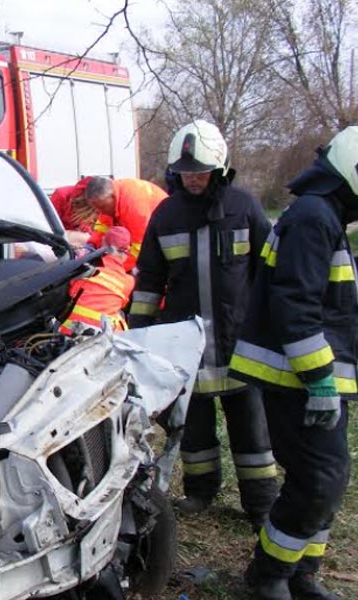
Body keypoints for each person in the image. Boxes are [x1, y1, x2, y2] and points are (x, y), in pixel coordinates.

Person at [230, 126, 358, 600]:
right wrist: (321, 380)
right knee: (317, 478)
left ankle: (302, 572)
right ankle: (268, 574)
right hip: (297, 380)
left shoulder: (324, 215)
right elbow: (296, 305)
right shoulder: (312, 217)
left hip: (312, 379)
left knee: (331, 476)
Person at [130, 120, 278, 528]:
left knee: (251, 431)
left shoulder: (245, 208)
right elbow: (148, 280)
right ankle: (200, 492)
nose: (193, 179)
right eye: (186, 172)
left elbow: (270, 270)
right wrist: (139, 336)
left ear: (220, 168)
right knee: (193, 428)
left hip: (240, 343)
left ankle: (261, 503)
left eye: (201, 171)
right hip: (186, 344)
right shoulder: (166, 214)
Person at [59, 226, 134, 335]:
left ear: (103, 244)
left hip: (69, 331)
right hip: (101, 338)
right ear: (126, 252)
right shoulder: (128, 282)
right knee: (120, 317)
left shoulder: (86, 268)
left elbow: (70, 290)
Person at [84, 175, 168, 270]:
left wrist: (117, 269)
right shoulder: (110, 198)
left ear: (113, 196)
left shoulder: (135, 208)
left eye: (102, 207)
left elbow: (140, 248)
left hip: (167, 232)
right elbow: (102, 227)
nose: (99, 212)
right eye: (96, 208)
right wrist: (91, 245)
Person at [49, 176, 99, 247]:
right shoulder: (61, 195)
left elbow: (101, 225)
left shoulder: (99, 203)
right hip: (60, 236)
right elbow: (50, 222)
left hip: (81, 239)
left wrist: (88, 231)